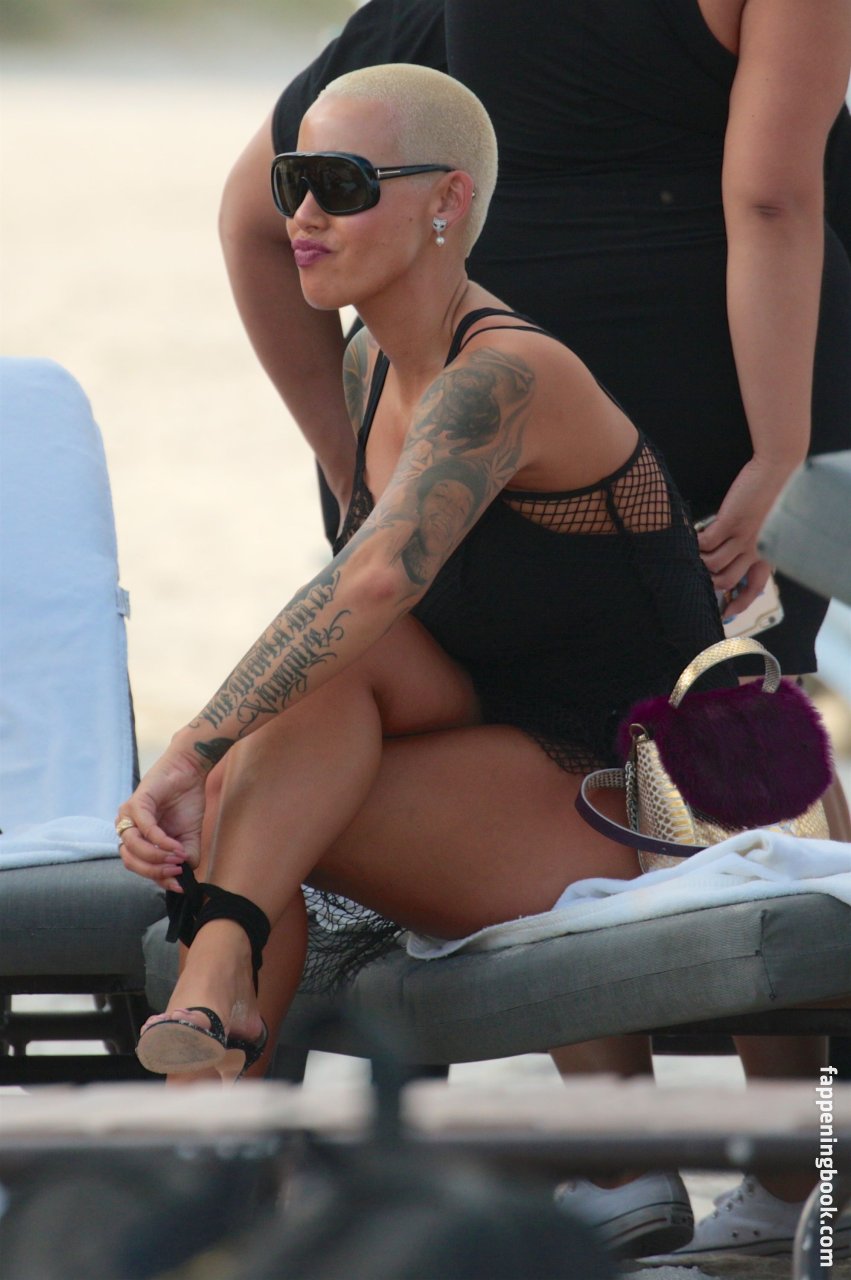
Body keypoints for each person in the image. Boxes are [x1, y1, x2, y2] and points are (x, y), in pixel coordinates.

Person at [217, 5, 851, 1258]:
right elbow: (770, 196)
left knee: (528, 722)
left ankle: (615, 1157)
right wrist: (780, 445)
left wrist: (348, 466)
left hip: (454, 379)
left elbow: (251, 209)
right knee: (735, 741)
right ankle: (794, 1178)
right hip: (709, 370)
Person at [118, 62, 735, 1256]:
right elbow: (357, 630)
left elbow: (371, 581)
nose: (300, 215)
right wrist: (213, 752)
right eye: (291, 183)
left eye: (339, 186)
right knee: (305, 706)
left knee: (262, 790)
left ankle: (205, 1154)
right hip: (507, 750)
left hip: (649, 793)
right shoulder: (368, 365)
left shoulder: (502, 376)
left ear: (446, 200)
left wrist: (188, 751)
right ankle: (217, 1094)